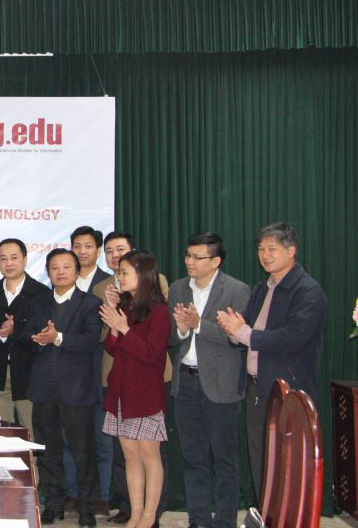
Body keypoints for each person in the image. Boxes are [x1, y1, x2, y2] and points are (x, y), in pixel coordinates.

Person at [217, 222, 326, 503]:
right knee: (261, 462)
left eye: (272, 249)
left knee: (287, 466)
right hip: (257, 389)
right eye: (261, 249)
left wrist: (244, 332)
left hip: (288, 392)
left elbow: (293, 338)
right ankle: (267, 518)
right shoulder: (262, 288)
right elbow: (246, 329)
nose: (265, 255)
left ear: (292, 251)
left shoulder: (307, 291)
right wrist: (233, 329)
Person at [169, 232, 250, 528]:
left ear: (215, 261)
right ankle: (198, 520)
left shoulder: (237, 291)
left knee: (224, 460)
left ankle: (225, 522)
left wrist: (197, 325)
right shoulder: (178, 289)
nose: (189, 261)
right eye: (188, 255)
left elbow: (238, 340)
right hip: (186, 383)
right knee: (193, 458)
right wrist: (180, 330)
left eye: (197, 257)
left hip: (221, 386)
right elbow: (170, 336)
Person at [18, 249, 102, 527]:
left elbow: (90, 342)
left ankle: (87, 508)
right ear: (49, 272)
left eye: (67, 267)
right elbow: (26, 337)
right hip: (43, 389)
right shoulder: (38, 303)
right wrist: (39, 339)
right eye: (55, 267)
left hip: (77, 390)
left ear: (77, 272)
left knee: (82, 452)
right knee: (47, 450)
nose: (61, 272)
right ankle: (53, 503)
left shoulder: (91, 303)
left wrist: (58, 338)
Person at [94, 232, 171, 524]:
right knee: (129, 454)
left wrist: (124, 329)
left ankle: (150, 515)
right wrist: (115, 325)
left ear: (143, 274)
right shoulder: (126, 306)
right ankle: (135, 512)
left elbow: (152, 354)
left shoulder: (159, 311)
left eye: (124, 272)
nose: (120, 277)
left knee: (149, 455)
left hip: (144, 394)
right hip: (120, 391)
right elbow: (112, 349)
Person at [0, 238, 50, 430]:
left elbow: (41, 338)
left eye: (14, 257)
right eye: (3, 258)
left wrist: (16, 331)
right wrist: (2, 334)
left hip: (29, 375)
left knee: (31, 433)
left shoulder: (41, 293)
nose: (9, 263)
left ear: (25, 259)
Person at [71, 226, 110, 293]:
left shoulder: (109, 281)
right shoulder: (63, 279)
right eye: (77, 246)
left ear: (98, 251)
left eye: (88, 246)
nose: (82, 251)